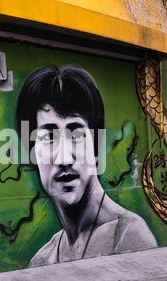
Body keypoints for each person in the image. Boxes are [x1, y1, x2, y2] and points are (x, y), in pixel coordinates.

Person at [16, 65, 157, 267]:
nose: (64, 158)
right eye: (48, 137)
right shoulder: (41, 259)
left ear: (96, 146)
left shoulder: (128, 237)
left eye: (76, 135)